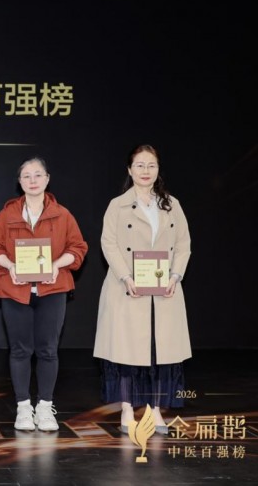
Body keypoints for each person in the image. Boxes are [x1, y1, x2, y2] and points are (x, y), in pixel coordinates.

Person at [93, 144, 191, 435]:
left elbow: (183, 244)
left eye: (151, 165)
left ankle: (155, 409)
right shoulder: (117, 205)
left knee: (159, 353)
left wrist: (175, 275)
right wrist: (126, 276)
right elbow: (108, 243)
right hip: (127, 288)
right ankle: (126, 409)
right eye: (140, 165)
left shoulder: (172, 204)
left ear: (158, 170)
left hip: (164, 290)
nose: (145, 171)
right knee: (126, 353)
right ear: (129, 169)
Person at [0, 157, 88, 432]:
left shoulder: (62, 214)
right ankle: (23, 407)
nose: (32, 180)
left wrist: (57, 265)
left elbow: (78, 248)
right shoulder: (6, 214)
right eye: (26, 176)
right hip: (14, 289)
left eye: (38, 175)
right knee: (20, 350)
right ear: (19, 182)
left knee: (48, 350)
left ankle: (44, 407)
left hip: (52, 290)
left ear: (47, 179)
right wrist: (10, 265)